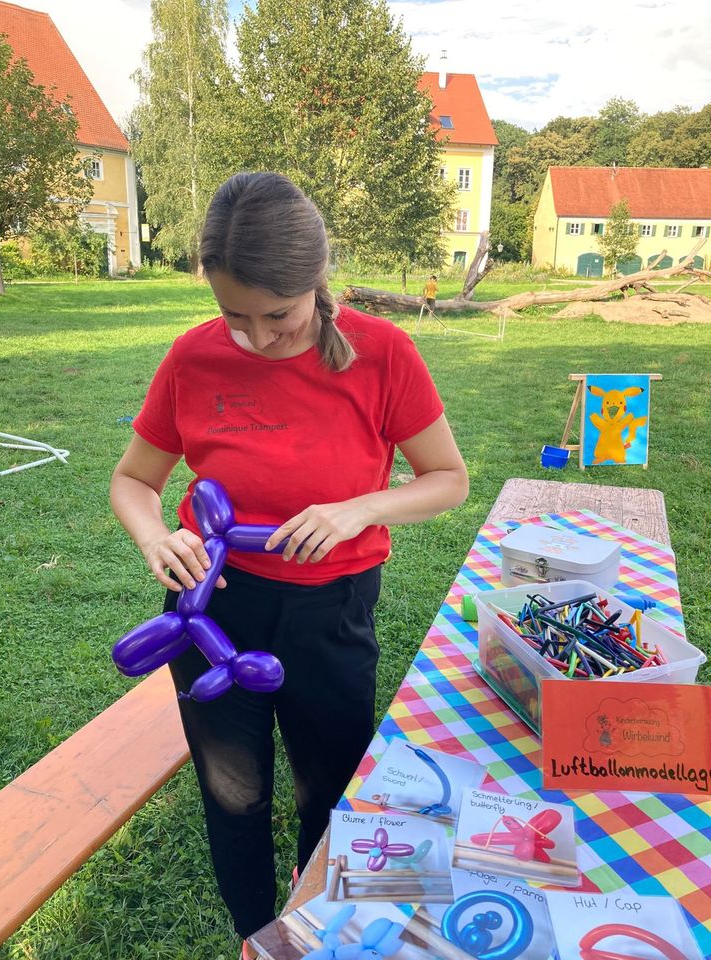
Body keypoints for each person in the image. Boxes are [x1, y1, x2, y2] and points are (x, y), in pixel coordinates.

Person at [110, 172, 468, 954]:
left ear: (318, 280)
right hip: (213, 613)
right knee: (232, 794)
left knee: (331, 786)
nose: (258, 336)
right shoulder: (193, 358)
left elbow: (449, 479)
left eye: (278, 314)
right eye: (234, 314)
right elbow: (135, 480)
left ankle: (320, 932)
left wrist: (358, 508)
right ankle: (254, 937)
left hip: (330, 610)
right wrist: (152, 538)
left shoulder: (383, 353)